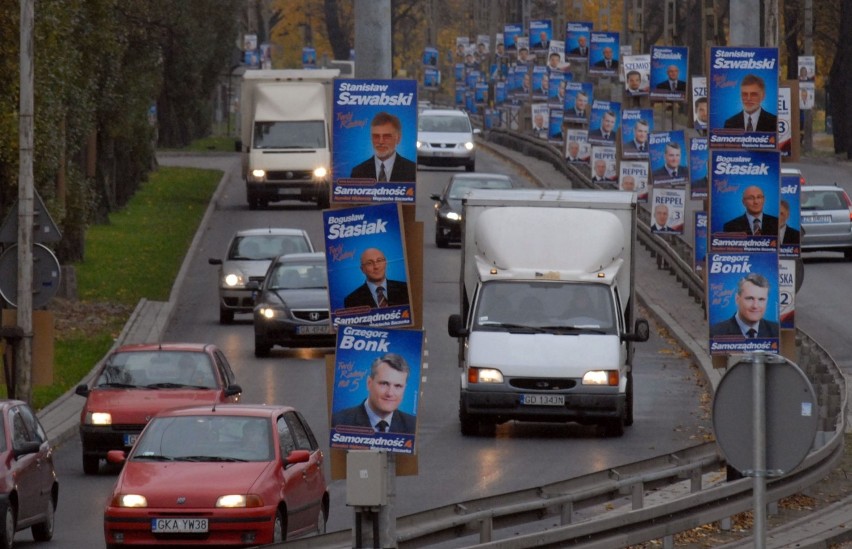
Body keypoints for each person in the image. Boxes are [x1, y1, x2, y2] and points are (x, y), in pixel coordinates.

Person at [331, 353, 416, 434]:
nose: (390, 393)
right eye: (384, 383)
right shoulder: (338, 422)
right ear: (369, 383)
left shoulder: (413, 426)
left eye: (398, 386)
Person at [350, 112, 417, 182]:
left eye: (386, 136)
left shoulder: (411, 170)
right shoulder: (358, 172)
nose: (381, 141)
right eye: (376, 136)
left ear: (398, 139)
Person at [710, 273, 779, 338]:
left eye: (761, 299)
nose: (755, 306)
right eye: (750, 298)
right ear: (737, 299)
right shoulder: (716, 332)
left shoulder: (776, 331)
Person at [344, 248, 409, 309]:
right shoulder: (351, 300)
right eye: (369, 263)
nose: (376, 266)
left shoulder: (406, 289)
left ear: (385, 263)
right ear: (362, 269)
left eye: (379, 261)